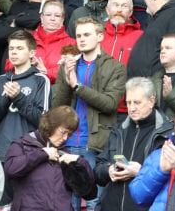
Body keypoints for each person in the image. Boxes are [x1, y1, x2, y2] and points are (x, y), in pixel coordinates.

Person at [51, 17, 127, 210]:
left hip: (95, 144)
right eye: (78, 36)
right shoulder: (68, 66)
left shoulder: (115, 67)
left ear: (100, 36)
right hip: (66, 143)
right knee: (66, 203)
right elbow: (57, 108)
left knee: (94, 202)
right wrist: (68, 81)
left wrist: (77, 86)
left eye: (87, 34)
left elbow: (110, 104)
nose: (81, 39)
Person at [95, 77, 173, 211]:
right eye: (129, 103)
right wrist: (109, 170)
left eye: (137, 102)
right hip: (111, 205)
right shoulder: (118, 130)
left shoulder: (167, 133)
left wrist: (141, 172)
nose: (132, 108)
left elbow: (172, 176)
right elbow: (98, 170)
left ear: (151, 101)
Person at [4, 106, 95, 211]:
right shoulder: (23, 144)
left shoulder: (66, 155)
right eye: (63, 132)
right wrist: (42, 154)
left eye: (69, 134)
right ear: (51, 125)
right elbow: (11, 169)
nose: (65, 138)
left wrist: (80, 162)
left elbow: (89, 193)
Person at [0, 30, 50, 161]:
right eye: (11, 48)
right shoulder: (0, 80)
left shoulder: (41, 80)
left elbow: (43, 121)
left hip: (27, 153)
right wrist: (7, 99)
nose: (13, 52)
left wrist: (18, 98)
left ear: (32, 53)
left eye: (19, 48)